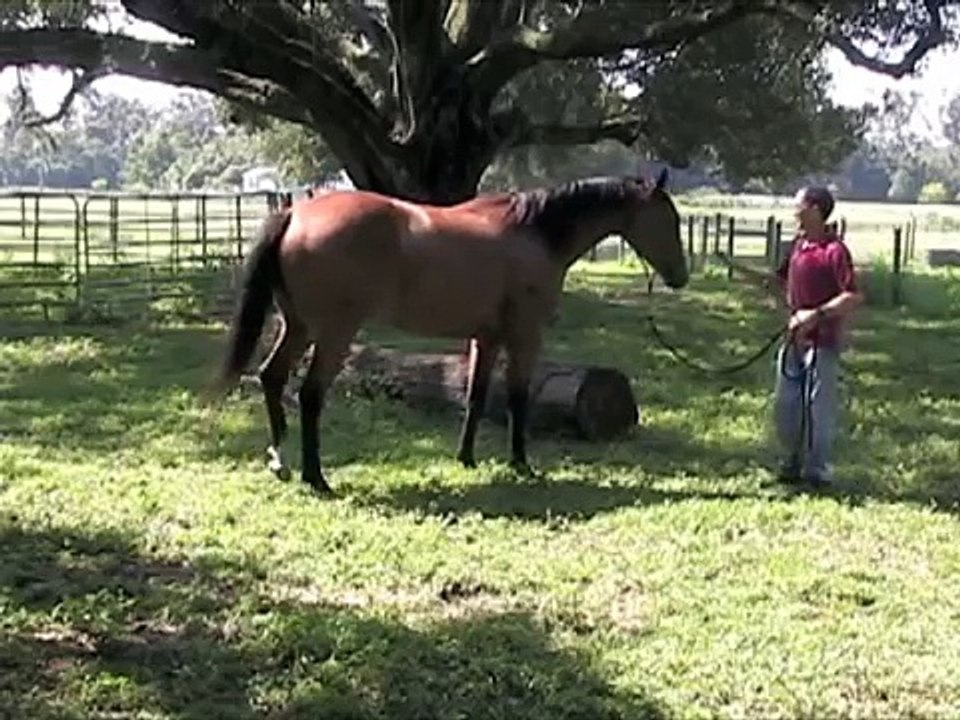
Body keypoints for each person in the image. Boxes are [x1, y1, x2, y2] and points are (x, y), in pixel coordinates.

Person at [770, 185, 862, 485]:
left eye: (798, 206)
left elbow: (851, 296)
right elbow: (779, 281)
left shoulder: (835, 251)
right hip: (793, 340)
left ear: (815, 209)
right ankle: (791, 462)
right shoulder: (798, 245)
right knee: (786, 405)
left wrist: (816, 314)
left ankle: (817, 471)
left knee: (817, 408)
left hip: (821, 342)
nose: (794, 211)